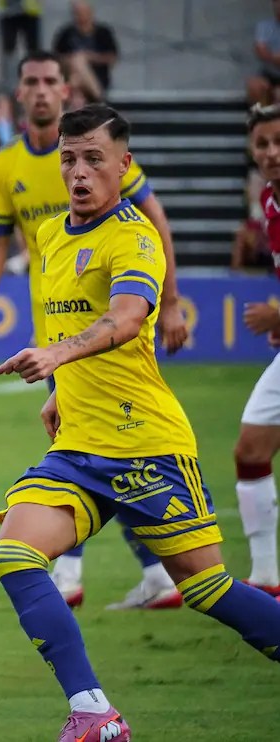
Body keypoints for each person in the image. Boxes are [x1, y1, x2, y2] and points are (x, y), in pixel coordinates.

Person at [0, 102, 280, 742]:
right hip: (78, 446)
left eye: (94, 159)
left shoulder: (135, 237)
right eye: (69, 159)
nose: (79, 172)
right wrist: (60, 389)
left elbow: (124, 319)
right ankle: (94, 713)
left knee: (207, 589)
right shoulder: (51, 235)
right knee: (15, 555)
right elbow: (65, 318)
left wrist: (57, 357)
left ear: (124, 164)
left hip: (145, 445)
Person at [0, 51, 189, 610]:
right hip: (54, 336)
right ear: (18, 93)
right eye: (30, 82)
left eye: (50, 81)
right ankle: (139, 572)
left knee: (99, 449)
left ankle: (88, 570)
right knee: (82, 446)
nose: (40, 90)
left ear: (65, 90)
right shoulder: (4, 166)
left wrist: (172, 301)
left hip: (105, 332)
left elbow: (153, 221)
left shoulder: (99, 152)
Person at [228, 103, 280, 597]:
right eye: (262, 144)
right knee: (250, 451)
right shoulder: (268, 199)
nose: (271, 152)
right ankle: (266, 579)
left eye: (279, 142)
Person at [52, 1, 118, 103]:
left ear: (90, 13)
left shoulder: (103, 32)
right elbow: (56, 58)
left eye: (84, 12)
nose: (81, 16)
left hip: (97, 77)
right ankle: (99, 100)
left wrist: (90, 57)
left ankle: (93, 97)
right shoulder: (66, 33)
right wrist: (72, 59)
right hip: (70, 74)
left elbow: (112, 58)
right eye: (78, 12)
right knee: (76, 68)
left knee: (78, 68)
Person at [249, 0, 280, 106]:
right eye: (277, 2)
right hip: (269, 74)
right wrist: (274, 57)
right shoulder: (264, 26)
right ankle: (261, 114)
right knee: (254, 86)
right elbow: (261, 50)